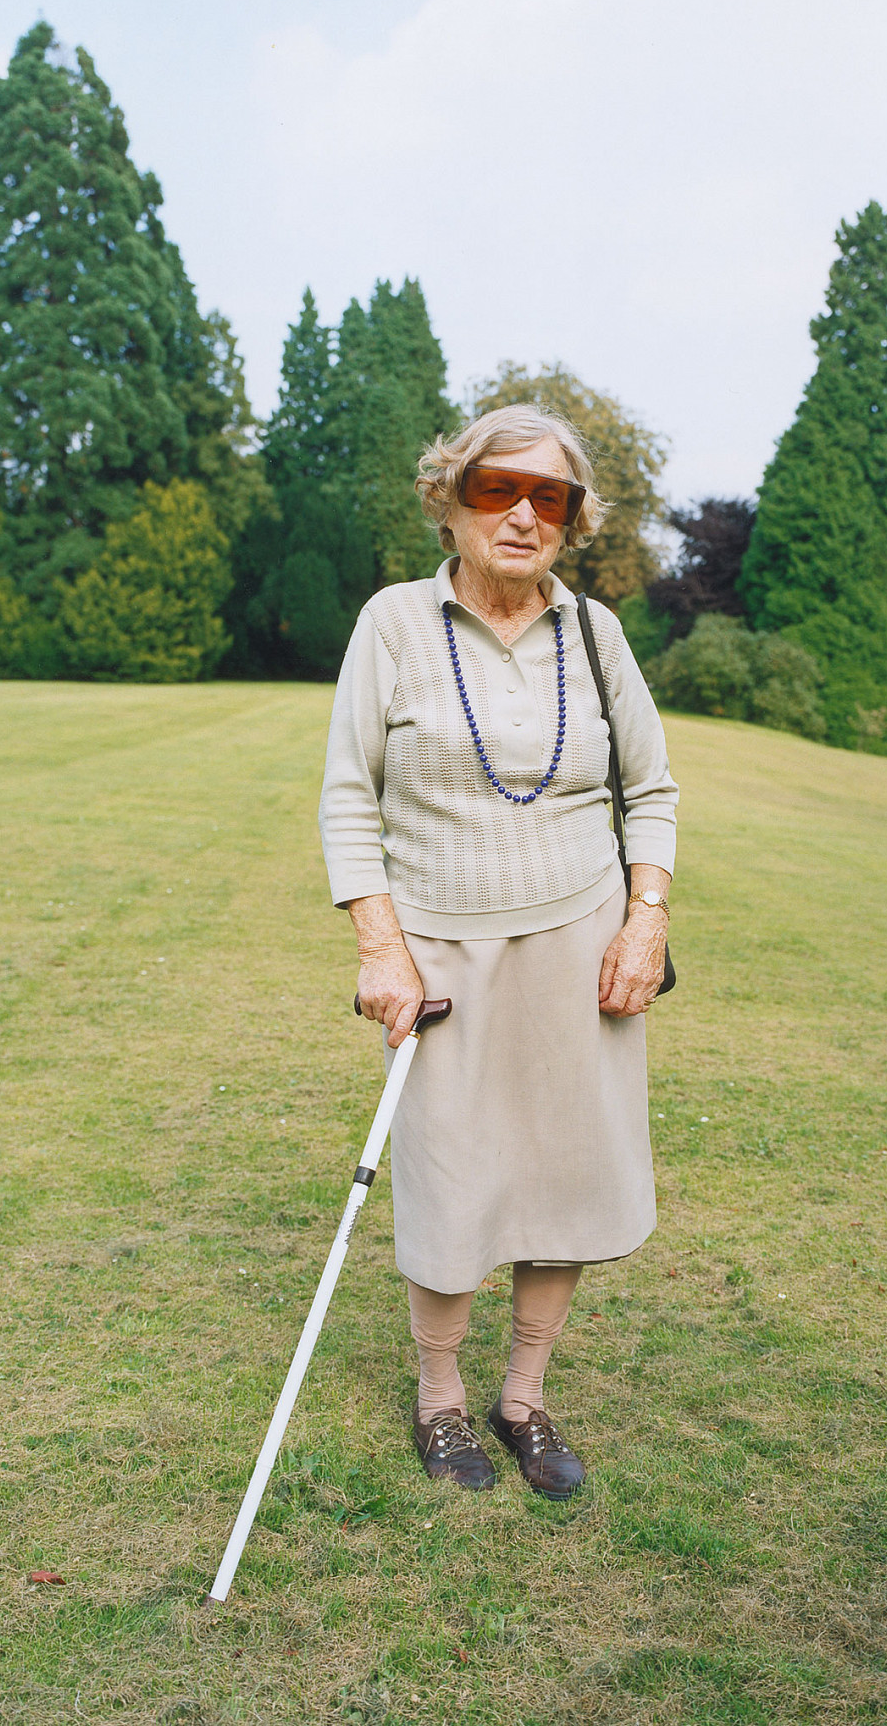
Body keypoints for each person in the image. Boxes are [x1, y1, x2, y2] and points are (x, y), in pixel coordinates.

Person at [318, 403, 678, 1497]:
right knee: (451, 1177)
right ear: (451, 498)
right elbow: (349, 797)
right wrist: (380, 947)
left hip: (582, 948)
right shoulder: (393, 624)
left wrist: (645, 919)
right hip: (441, 957)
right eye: (498, 489)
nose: (523, 515)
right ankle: (440, 1399)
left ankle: (523, 1397)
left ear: (571, 519)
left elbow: (652, 790)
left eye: (549, 497)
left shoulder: (596, 634)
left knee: (562, 1176)